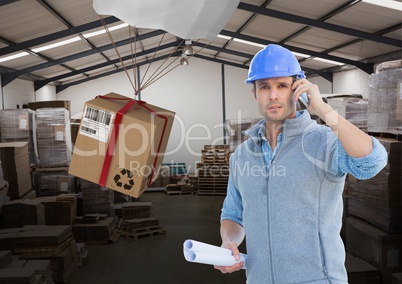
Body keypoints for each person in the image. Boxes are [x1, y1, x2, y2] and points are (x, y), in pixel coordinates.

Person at [214, 44, 388, 283]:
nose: (273, 95)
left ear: (298, 89)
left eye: (282, 85)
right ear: (254, 92)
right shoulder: (242, 155)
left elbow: (372, 162)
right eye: (264, 86)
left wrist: (323, 108)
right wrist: (229, 241)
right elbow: (233, 214)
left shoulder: (325, 142)